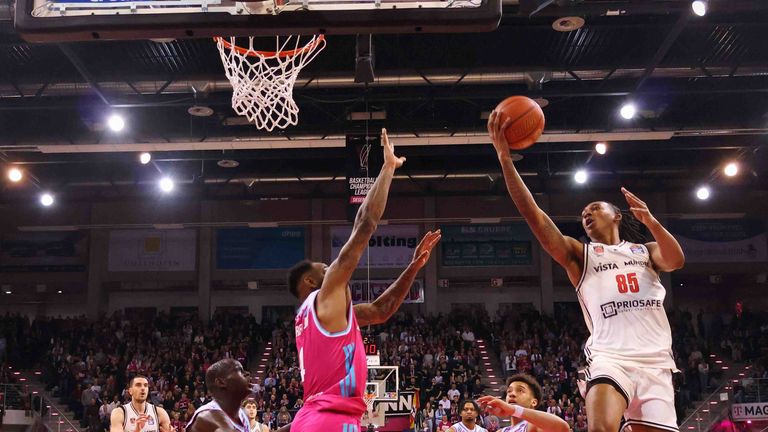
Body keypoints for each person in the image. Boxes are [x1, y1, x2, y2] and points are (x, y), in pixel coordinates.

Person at [487, 110, 686, 432]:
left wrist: (651, 222)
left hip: (657, 364)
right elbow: (535, 216)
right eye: (582, 214)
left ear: (617, 215)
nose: (586, 215)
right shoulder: (580, 254)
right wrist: (506, 161)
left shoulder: (645, 252)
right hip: (610, 358)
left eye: (594, 209)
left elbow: (676, 260)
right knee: (600, 428)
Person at [286, 128, 441, 432]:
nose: (330, 267)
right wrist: (387, 168)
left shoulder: (320, 317)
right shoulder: (325, 296)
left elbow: (382, 310)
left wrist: (412, 267)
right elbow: (365, 223)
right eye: (322, 267)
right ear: (308, 281)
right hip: (330, 419)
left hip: (316, 417)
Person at [478, 374, 569, 432]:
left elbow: (562, 428)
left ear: (533, 402)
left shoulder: (532, 426)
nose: (512, 394)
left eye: (520, 390)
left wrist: (514, 410)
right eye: (509, 391)